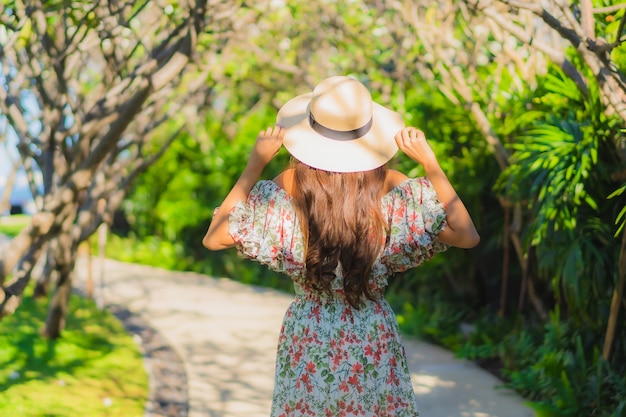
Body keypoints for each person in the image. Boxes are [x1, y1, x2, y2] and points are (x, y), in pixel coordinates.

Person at [203, 76, 480, 417]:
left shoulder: (289, 186)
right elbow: (467, 235)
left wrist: (255, 164)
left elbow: (215, 237)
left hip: (309, 334)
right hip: (371, 333)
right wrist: (430, 163)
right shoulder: (392, 189)